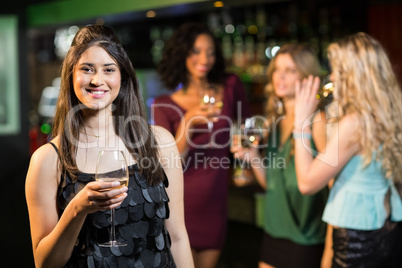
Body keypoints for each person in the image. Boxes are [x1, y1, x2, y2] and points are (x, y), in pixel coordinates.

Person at [25, 24, 194, 268]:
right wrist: (77, 209)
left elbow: (177, 239)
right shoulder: (48, 160)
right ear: (71, 75)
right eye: (87, 69)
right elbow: (45, 263)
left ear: (122, 77)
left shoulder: (161, 143)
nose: (97, 80)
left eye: (108, 69)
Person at [294, 32, 402, 267]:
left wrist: (301, 123)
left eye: (337, 70)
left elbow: (307, 183)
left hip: (357, 239)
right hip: (387, 229)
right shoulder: (390, 110)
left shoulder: (355, 123)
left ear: (355, 75)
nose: (332, 76)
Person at [152, 22, 251, 268]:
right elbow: (168, 163)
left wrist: (243, 164)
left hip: (215, 202)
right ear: (182, 54)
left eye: (210, 52)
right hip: (179, 204)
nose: (204, 58)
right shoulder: (164, 104)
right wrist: (188, 121)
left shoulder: (230, 86)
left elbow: (245, 128)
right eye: (196, 51)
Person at [231, 43, 330, 268]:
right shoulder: (273, 123)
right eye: (277, 69)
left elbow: (333, 185)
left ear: (307, 77)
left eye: (290, 70)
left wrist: (333, 243)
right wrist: (253, 156)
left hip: (307, 235)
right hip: (274, 230)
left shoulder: (317, 121)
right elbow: (272, 186)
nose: (280, 76)